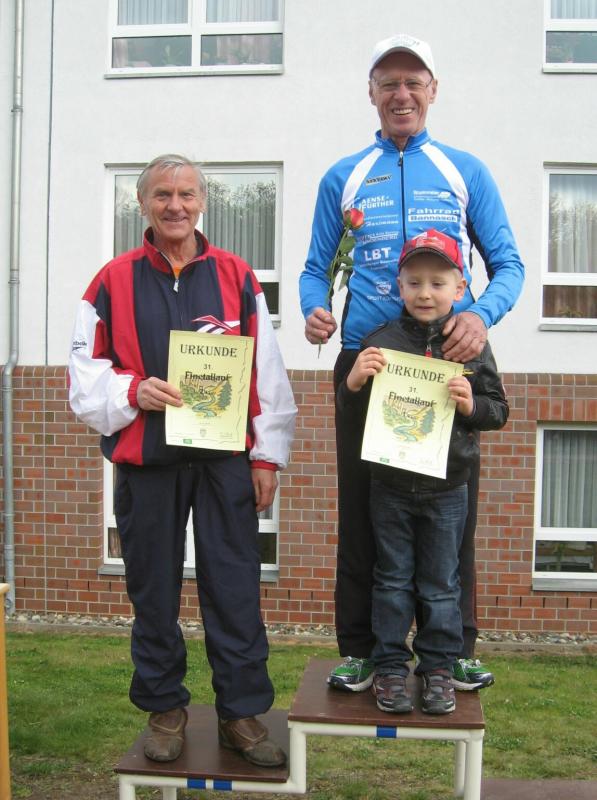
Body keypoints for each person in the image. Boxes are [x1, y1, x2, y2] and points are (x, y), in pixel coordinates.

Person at [299, 33, 524, 692]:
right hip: (368, 360)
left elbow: (508, 264)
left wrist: (479, 317)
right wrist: (315, 309)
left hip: (448, 356)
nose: (401, 94)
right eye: (388, 83)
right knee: (363, 511)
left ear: (432, 91)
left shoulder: (464, 171)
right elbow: (315, 268)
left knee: (453, 510)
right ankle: (363, 650)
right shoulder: (343, 176)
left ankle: (451, 651)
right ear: (370, 93)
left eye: (413, 82)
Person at [68, 154, 297, 766]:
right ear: (142, 203)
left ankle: (240, 713)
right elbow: (83, 381)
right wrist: (131, 391)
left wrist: (266, 456)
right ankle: (165, 710)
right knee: (153, 591)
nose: (176, 205)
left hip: (223, 464)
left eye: (187, 194)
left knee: (235, 588)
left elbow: (267, 373)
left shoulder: (237, 275)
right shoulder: (111, 281)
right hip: (148, 463)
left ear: (202, 202)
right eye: (163, 194)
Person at [337, 229, 509, 714]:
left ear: (460, 288)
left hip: (449, 488)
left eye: (438, 283)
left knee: (441, 584)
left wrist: (471, 405)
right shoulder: (380, 343)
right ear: (399, 286)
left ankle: (437, 669)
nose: (425, 293)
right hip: (389, 487)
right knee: (391, 580)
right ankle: (390, 668)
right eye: (414, 283)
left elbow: (498, 411)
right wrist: (354, 382)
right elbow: (353, 417)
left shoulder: (471, 346)